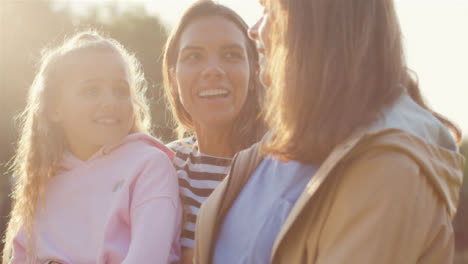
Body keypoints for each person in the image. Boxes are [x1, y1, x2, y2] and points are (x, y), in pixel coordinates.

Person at [194, 0, 465, 263]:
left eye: (268, 9)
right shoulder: (274, 150)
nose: (253, 29)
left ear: (315, 23)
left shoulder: (390, 168)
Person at [3, 31, 182, 264]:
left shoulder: (148, 165)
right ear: (55, 109)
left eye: (120, 90)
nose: (110, 101)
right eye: (91, 90)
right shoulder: (41, 183)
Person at [162, 1, 265, 263]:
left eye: (231, 55)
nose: (213, 70)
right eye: (194, 56)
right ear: (173, 79)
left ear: (255, 73)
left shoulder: (279, 167)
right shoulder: (160, 166)